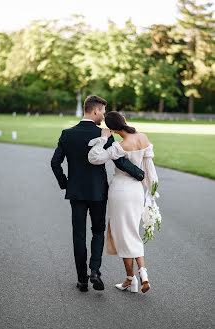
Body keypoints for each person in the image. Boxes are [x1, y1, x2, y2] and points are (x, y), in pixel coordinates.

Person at [50, 95, 145, 292]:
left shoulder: (67, 134)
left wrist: (65, 183)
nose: (103, 115)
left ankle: (82, 280)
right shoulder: (104, 134)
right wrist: (139, 173)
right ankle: (95, 270)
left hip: (75, 192)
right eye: (102, 111)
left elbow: (55, 163)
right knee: (98, 231)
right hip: (98, 192)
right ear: (94, 111)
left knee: (78, 234)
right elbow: (119, 161)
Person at [88, 111, 158, 293]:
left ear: (111, 129)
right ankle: (141, 274)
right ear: (124, 121)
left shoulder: (119, 146)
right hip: (137, 191)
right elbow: (150, 170)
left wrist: (103, 138)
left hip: (120, 191)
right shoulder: (143, 137)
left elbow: (94, 157)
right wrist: (151, 192)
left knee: (124, 235)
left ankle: (131, 278)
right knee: (132, 231)